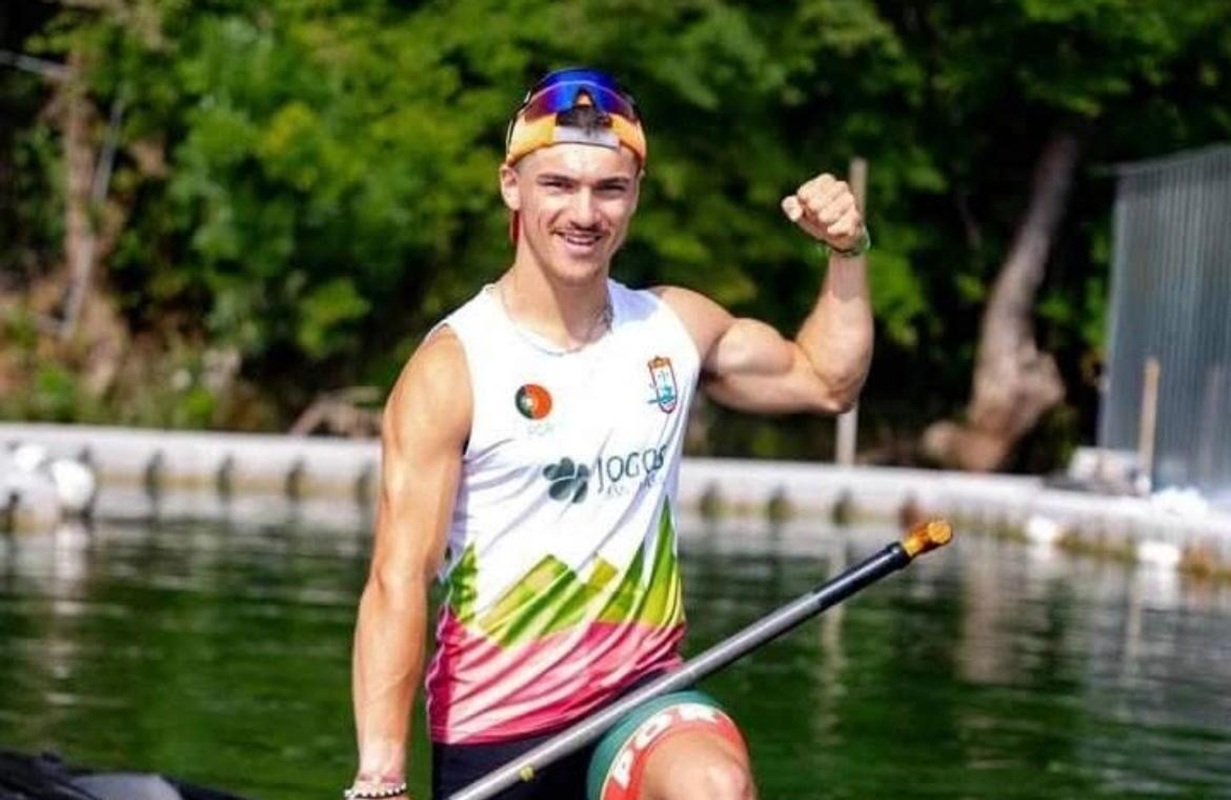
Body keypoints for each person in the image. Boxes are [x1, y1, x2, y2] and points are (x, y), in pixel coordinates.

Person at [345, 66, 873, 800]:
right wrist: (380, 776)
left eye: (609, 189)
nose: (584, 212)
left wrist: (847, 253)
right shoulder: (452, 368)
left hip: (640, 699)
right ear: (511, 186)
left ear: (635, 195)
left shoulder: (672, 327)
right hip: (495, 728)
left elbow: (826, 380)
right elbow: (396, 578)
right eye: (558, 185)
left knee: (714, 787)